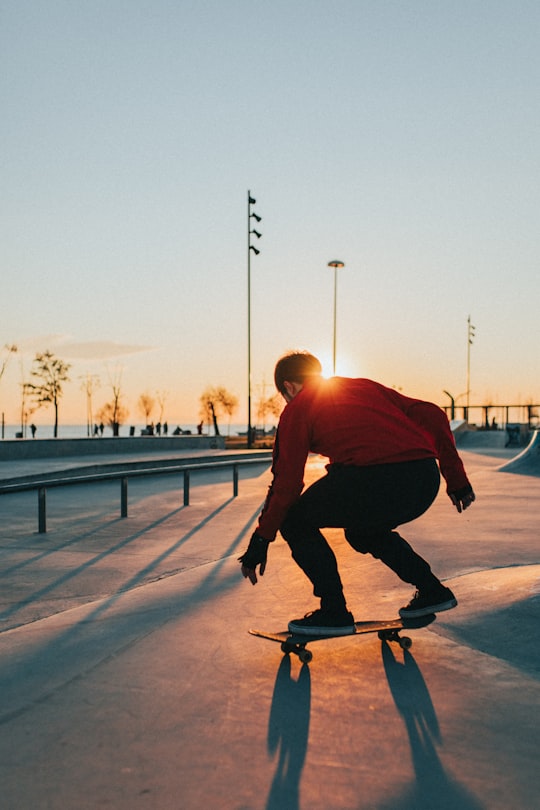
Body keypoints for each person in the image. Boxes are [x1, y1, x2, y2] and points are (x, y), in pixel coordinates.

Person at [239, 351, 475, 636]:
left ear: (289, 386)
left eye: (285, 396)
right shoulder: (363, 387)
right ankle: (431, 590)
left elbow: (286, 483)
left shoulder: (299, 407)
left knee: (294, 519)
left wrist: (261, 539)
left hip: (378, 478)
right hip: (424, 479)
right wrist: (456, 477)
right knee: (363, 531)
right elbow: (432, 414)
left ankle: (334, 611)